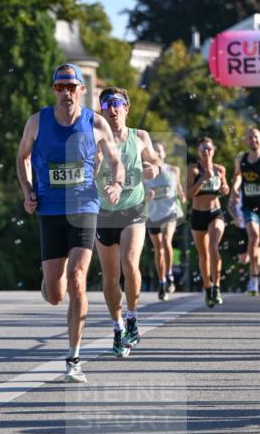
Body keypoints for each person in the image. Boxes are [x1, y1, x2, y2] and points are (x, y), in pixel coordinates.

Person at [16, 63, 124, 383]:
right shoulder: (37, 121)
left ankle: (74, 358)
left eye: (71, 86)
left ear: (81, 90)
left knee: (78, 277)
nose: (66, 92)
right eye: (60, 87)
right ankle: (48, 284)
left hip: (84, 207)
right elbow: (22, 156)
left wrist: (116, 184)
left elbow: (115, 161)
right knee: (56, 294)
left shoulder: (96, 123)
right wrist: (27, 191)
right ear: (54, 91)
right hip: (49, 210)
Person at [94, 88, 160, 356]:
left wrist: (153, 167)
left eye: (116, 104)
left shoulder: (140, 136)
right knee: (110, 278)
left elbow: (154, 160)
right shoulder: (94, 139)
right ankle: (117, 327)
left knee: (130, 264)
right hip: (104, 213)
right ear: (101, 111)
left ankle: (132, 316)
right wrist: (96, 165)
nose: (112, 110)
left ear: (126, 108)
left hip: (132, 209)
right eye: (106, 105)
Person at [186, 135, 229, 307]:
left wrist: (226, 189)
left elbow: (225, 188)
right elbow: (188, 195)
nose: (207, 152)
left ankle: (217, 286)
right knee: (203, 255)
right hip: (198, 215)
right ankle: (207, 288)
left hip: (215, 213)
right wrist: (203, 180)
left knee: (213, 247)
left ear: (214, 151)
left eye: (209, 148)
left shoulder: (220, 170)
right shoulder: (193, 170)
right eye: (203, 148)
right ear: (198, 151)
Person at [144, 140, 186, 300]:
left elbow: (179, 188)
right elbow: (142, 194)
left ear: (164, 153)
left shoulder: (173, 170)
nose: (157, 153)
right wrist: (147, 196)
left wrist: (182, 195)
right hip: (153, 214)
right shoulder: (146, 174)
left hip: (170, 212)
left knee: (166, 241)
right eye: (154, 151)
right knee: (158, 250)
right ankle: (162, 282)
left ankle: (169, 274)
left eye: (160, 150)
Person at [230, 127, 260, 296]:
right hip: (249, 207)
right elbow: (238, 176)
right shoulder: (241, 159)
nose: (253, 140)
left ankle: (255, 271)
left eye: (256, 137)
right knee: (254, 237)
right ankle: (253, 278)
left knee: (256, 246)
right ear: (245, 141)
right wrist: (234, 188)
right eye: (250, 138)